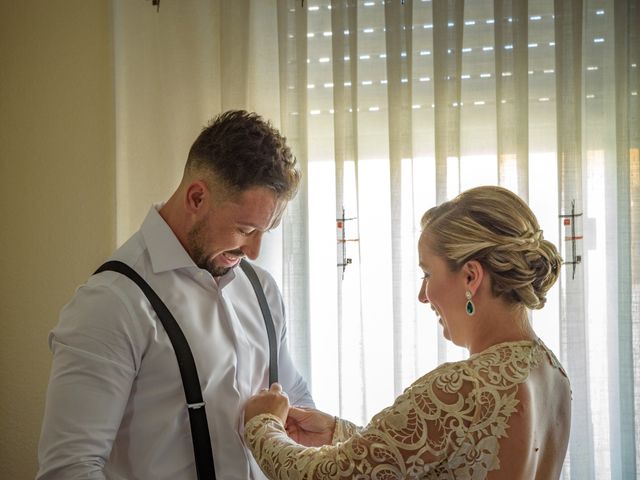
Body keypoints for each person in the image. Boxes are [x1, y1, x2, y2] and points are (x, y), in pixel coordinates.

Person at [37, 110, 315, 480]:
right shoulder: (111, 303)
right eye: (245, 229)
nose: (254, 251)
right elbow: (68, 469)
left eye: (266, 230)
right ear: (197, 197)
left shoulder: (260, 288)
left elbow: (294, 398)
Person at [243, 185, 572, 479]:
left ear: (471, 277)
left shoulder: (460, 389)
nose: (422, 295)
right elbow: (440, 456)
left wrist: (262, 425)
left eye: (427, 273)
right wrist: (335, 432)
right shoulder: (552, 373)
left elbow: (322, 477)